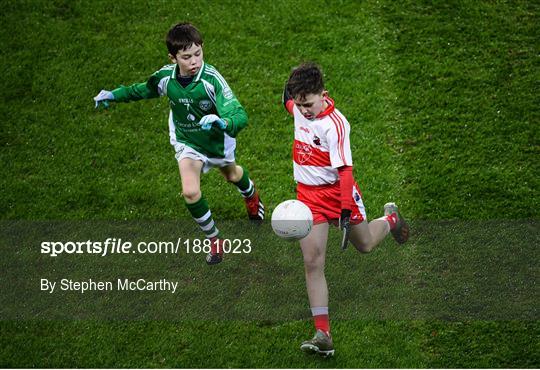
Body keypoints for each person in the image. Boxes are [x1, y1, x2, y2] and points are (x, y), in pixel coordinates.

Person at [93, 22, 264, 265]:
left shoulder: (211, 79)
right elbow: (142, 90)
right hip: (186, 142)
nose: (194, 61)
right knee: (190, 191)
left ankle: (250, 195)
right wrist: (113, 94)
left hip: (216, 142)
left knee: (231, 175)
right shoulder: (166, 78)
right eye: (186, 57)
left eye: (198, 53)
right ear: (173, 58)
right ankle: (214, 239)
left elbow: (239, 114)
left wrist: (222, 122)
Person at [282, 62, 409, 357]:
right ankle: (323, 333)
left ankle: (390, 218)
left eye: (309, 105)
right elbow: (287, 102)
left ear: (324, 95)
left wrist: (344, 209)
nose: (304, 111)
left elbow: (345, 172)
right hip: (308, 198)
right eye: (299, 105)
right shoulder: (298, 108)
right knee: (313, 261)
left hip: (338, 193)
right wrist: (292, 92)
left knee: (364, 245)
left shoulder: (335, 125)